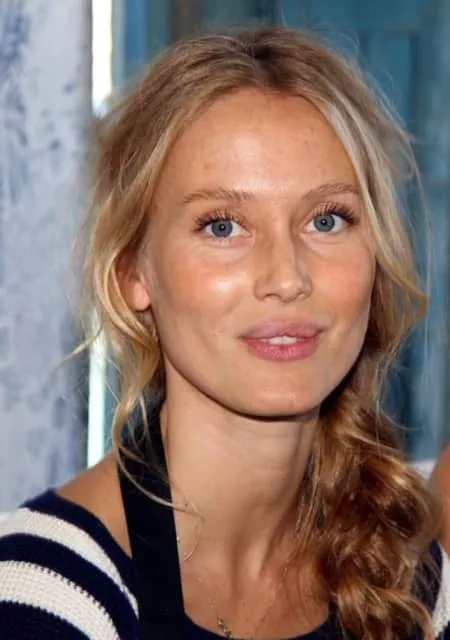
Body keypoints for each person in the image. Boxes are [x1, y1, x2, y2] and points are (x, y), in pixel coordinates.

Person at [0, 26, 448, 640]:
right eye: (222, 227)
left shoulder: (411, 585)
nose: (287, 278)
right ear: (133, 272)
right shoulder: (43, 597)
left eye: (326, 219)